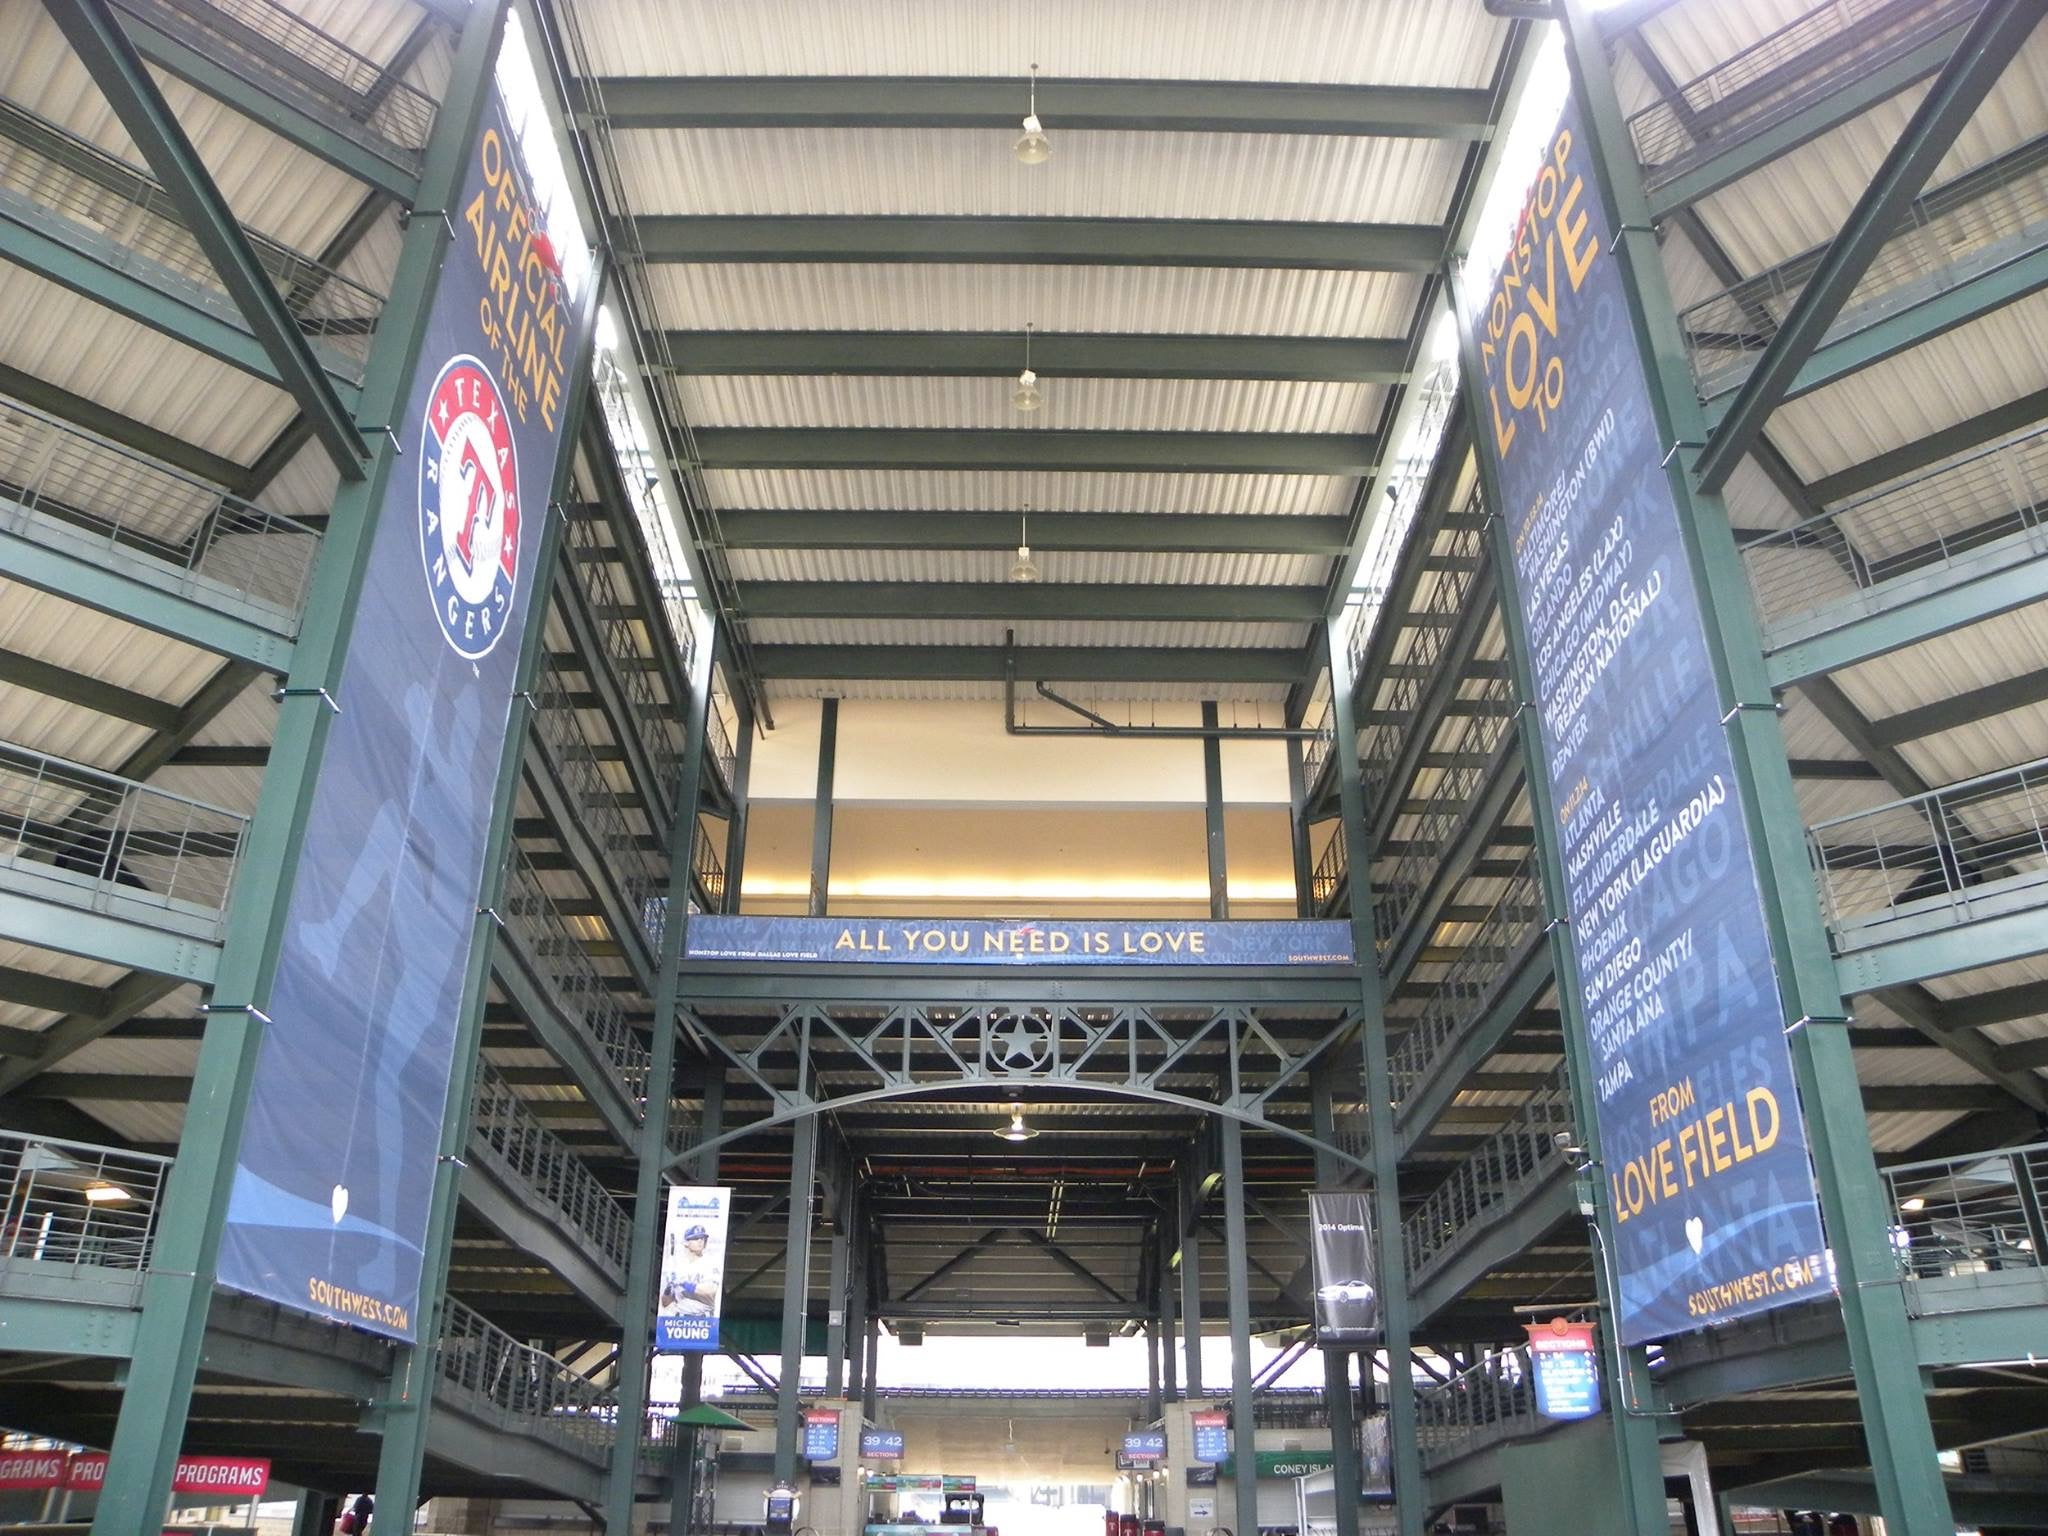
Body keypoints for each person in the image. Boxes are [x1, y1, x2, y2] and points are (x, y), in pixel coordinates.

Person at [666, 1223, 720, 1314]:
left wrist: (683, 1283)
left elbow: (711, 1290)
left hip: (704, 1319)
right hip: (679, 1318)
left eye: (702, 1238)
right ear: (686, 1242)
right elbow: (665, 1302)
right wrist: (668, 1287)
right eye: (695, 1238)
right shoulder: (678, 1266)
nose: (700, 1241)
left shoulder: (710, 1263)